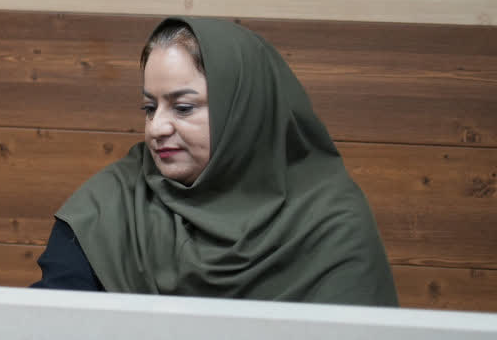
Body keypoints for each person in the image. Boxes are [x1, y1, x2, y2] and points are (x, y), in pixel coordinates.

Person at [32, 17, 397, 305]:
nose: (157, 127)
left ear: (244, 113)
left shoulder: (331, 222)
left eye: (183, 107)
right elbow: (47, 333)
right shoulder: (110, 203)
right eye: (149, 108)